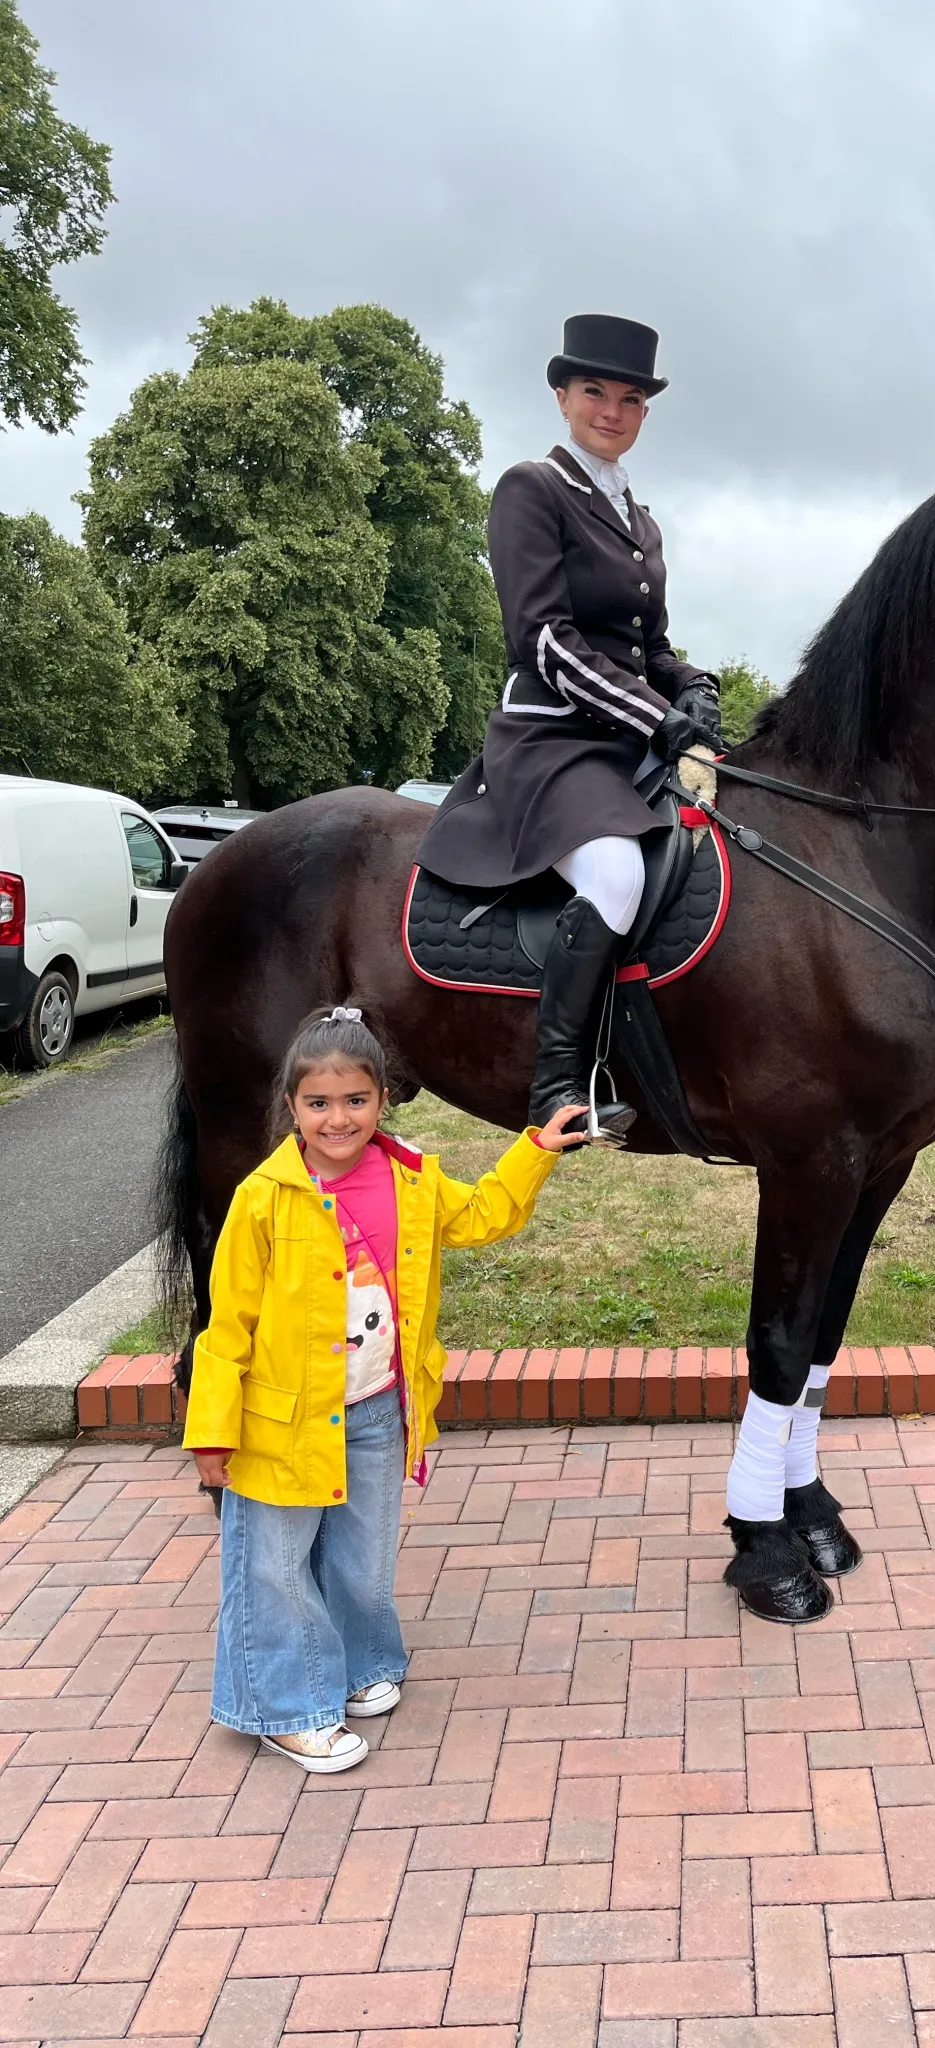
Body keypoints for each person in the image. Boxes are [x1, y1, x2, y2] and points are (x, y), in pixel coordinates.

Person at [182, 1005, 586, 1772]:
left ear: (383, 1100)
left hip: (375, 1410)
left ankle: (362, 1663)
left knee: (363, 1559)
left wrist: (535, 1149)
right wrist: (211, 1431)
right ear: (292, 1106)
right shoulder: (264, 1199)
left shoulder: (412, 1181)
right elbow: (226, 1328)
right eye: (318, 1103)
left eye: (355, 1100)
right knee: (275, 1567)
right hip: (280, 1422)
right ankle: (288, 1710)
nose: (338, 1119)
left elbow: (486, 1214)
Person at [416, 313, 722, 1143]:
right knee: (616, 874)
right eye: (595, 392)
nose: (612, 411)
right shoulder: (532, 489)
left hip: (622, 745)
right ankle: (556, 1083)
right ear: (562, 397)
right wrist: (659, 717)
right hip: (549, 741)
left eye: (630, 399)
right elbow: (545, 642)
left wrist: (694, 686)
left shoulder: (641, 520)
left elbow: (649, 647)